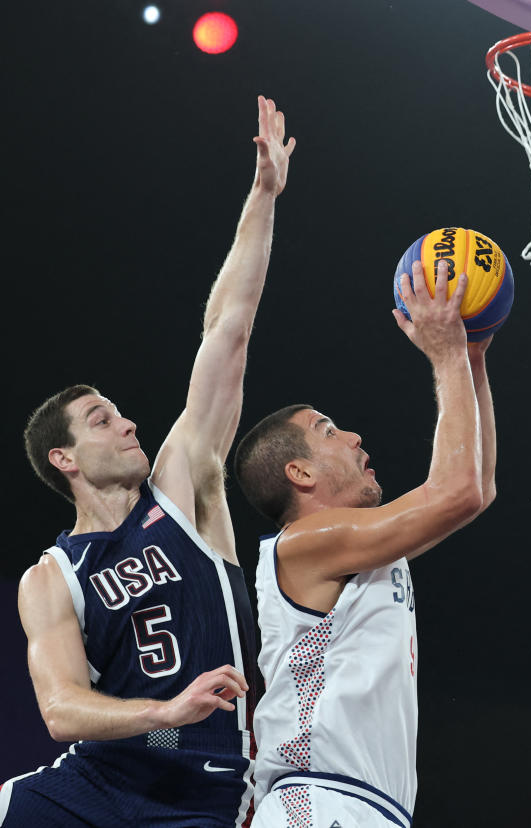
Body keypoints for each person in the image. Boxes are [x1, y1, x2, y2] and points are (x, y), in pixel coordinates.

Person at [1, 97, 295, 827]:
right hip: (102, 773)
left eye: (121, 411)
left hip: (206, 780)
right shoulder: (50, 578)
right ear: (64, 458)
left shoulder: (183, 486)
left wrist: (262, 198)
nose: (128, 421)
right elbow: (63, 710)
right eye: (103, 419)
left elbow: (227, 328)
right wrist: (163, 711)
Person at [232, 259, 497, 827]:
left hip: (367, 807)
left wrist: (471, 361)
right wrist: (445, 356)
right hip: (316, 799)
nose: (354, 436)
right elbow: (458, 493)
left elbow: (479, 485)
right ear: (300, 473)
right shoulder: (304, 543)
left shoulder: (363, 549)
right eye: (329, 431)